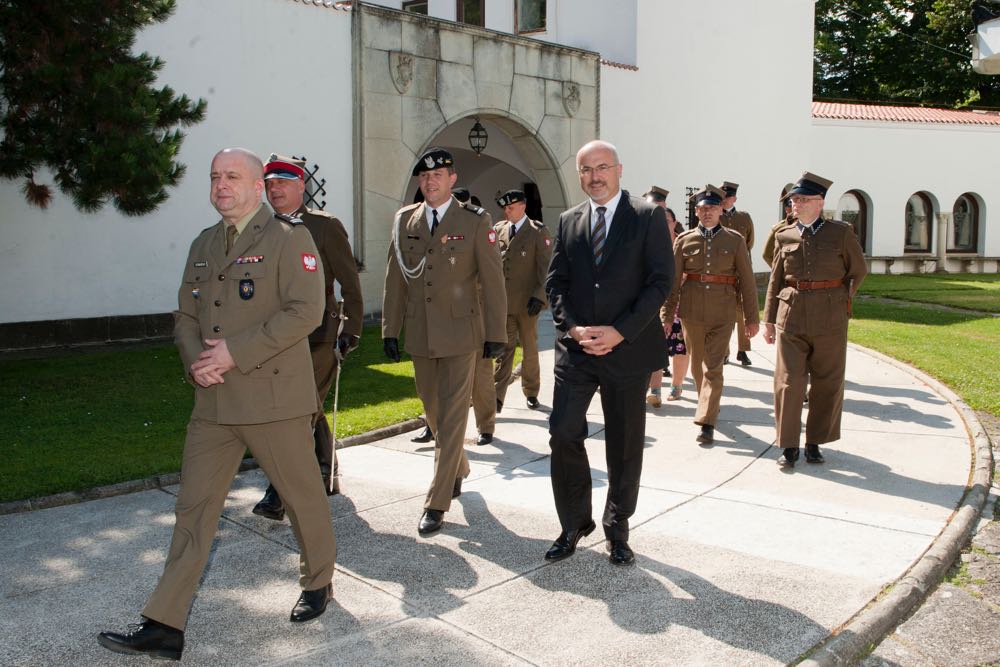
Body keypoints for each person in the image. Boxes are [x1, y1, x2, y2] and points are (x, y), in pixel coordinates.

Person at [98, 148, 337, 661]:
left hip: (272, 398)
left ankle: (318, 581)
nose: (220, 185)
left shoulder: (290, 238)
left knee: (300, 497)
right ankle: (165, 624)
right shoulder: (204, 244)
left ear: (257, 187)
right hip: (213, 401)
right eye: (214, 177)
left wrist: (234, 352)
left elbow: (307, 311)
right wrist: (195, 362)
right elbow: (185, 314)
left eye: (231, 176)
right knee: (193, 509)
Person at [544, 140, 673, 566]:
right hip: (577, 351)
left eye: (602, 168)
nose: (594, 176)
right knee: (563, 431)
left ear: (619, 169)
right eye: (586, 170)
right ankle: (574, 522)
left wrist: (620, 332)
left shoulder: (647, 215)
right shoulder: (568, 220)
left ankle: (617, 528)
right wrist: (575, 328)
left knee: (623, 443)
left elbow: (660, 281)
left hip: (627, 350)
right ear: (578, 175)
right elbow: (555, 283)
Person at [382, 147, 506, 535]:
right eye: (424, 177)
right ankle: (460, 465)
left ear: (452, 180)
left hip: (462, 333)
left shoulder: (474, 219)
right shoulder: (406, 220)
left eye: (438, 176)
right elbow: (396, 277)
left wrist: (496, 334)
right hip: (421, 332)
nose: (429, 182)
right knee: (432, 410)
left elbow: (492, 280)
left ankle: (437, 502)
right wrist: (390, 328)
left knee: (453, 416)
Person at [251, 154, 363, 521]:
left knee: (293, 411)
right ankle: (326, 470)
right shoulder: (259, 227)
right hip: (273, 337)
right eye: (270, 184)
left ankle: (277, 493)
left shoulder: (324, 227)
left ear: (302, 186)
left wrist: (354, 329)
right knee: (306, 407)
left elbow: (349, 280)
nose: (275, 190)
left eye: (282, 183)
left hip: (318, 335)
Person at [763, 172, 867, 467]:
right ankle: (788, 445)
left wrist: (839, 300)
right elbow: (775, 279)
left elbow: (858, 271)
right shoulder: (784, 235)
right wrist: (768, 320)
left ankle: (814, 442)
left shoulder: (841, 233)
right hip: (791, 316)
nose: (795, 204)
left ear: (819, 202)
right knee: (788, 382)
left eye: (802, 199)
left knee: (827, 382)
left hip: (830, 319)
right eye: (794, 199)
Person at [663, 185, 759, 445]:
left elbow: (748, 282)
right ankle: (707, 405)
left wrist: (752, 318)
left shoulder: (735, 240)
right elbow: (673, 283)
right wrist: (667, 315)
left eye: (712, 208)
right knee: (696, 366)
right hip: (692, 312)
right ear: (696, 211)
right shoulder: (684, 241)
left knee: (713, 367)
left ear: (721, 210)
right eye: (703, 209)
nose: (707, 213)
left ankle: (706, 422)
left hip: (723, 312)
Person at [493, 188, 552, 413]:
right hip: (505, 303)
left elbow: (546, 268)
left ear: (522, 206)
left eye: (511, 207)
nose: (507, 211)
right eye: (505, 208)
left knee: (529, 349)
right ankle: (497, 396)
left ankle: (531, 391)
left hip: (528, 304)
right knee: (503, 351)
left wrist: (539, 296)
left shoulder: (537, 231)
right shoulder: (499, 229)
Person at [642, 185, 673, 407]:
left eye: (662, 209)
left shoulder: (672, 235)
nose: (657, 213)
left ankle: (655, 390)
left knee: (656, 346)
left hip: (661, 300)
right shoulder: (632, 230)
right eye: (654, 207)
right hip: (635, 299)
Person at [719, 181, 756, 366]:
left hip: (741, 270)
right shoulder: (716, 216)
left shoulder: (744, 217)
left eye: (727, 197)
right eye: (722, 197)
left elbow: (749, 242)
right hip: (723, 271)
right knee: (725, 311)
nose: (724, 200)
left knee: (742, 311)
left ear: (734, 198)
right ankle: (724, 351)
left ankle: (743, 350)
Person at [661, 207, 690, 402]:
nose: (663, 224)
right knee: (655, 346)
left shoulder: (685, 241)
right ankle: (652, 388)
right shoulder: (647, 242)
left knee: (680, 346)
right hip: (654, 301)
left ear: (674, 222)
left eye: (667, 220)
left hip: (680, 301)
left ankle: (676, 386)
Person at [762, 197, 795, 268]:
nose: (794, 208)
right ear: (786, 209)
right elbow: (767, 255)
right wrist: (780, 271)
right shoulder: (778, 229)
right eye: (791, 205)